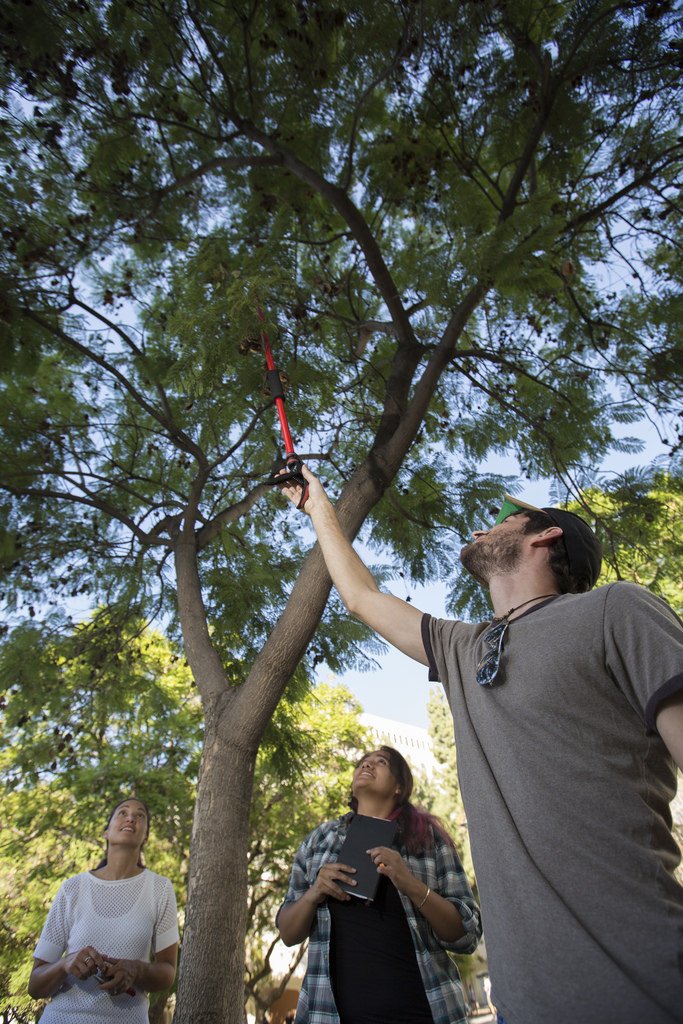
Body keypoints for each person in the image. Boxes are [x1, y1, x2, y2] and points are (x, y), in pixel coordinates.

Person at [280, 469, 683, 1024]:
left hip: (642, 985)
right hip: (523, 1003)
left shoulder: (615, 610)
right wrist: (316, 505)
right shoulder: (461, 648)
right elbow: (361, 595)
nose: (480, 529)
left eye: (503, 519)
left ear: (546, 536)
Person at [276, 745, 481, 1024]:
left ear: (398, 787)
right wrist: (314, 893)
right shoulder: (318, 842)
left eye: (380, 762)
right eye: (363, 761)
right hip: (330, 1015)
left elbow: (466, 935)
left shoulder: (428, 840)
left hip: (425, 1013)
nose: (367, 765)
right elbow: (288, 934)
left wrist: (410, 883)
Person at [28, 796, 179, 1023]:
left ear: (145, 836)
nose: (131, 818)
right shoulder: (72, 888)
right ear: (106, 832)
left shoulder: (159, 888)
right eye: (123, 813)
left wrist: (137, 970)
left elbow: (167, 972)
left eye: (140, 815)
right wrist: (65, 963)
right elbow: (35, 985)